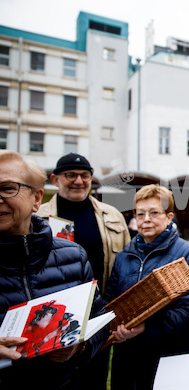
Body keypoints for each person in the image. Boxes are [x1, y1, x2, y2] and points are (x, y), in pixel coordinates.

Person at [0, 151, 108, 389]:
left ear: (36, 198)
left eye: (7, 188)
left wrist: (79, 346)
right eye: (70, 175)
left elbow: (99, 319)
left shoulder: (74, 256)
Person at [36, 152, 130, 390]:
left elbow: (126, 265)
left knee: (95, 381)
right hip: (51, 321)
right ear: (55, 179)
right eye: (71, 175)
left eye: (85, 175)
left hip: (97, 319)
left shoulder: (112, 216)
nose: (79, 181)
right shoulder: (37, 218)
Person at [103, 184, 189, 390]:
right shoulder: (125, 256)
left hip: (171, 352)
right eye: (140, 214)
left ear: (169, 217)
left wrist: (145, 328)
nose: (146, 219)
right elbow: (110, 300)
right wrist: (116, 329)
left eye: (154, 213)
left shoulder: (186, 254)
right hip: (129, 354)